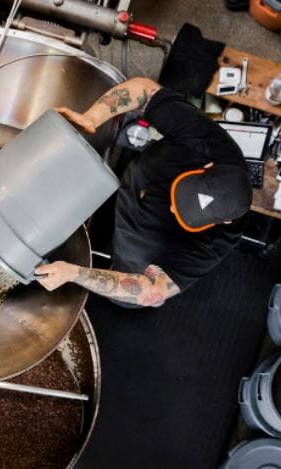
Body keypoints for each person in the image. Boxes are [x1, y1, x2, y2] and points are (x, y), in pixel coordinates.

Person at [34, 77, 252, 308]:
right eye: (182, 193)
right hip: (133, 184)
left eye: (184, 213)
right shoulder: (209, 143)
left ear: (224, 221)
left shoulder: (218, 240)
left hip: (143, 248)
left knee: (126, 293)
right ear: (208, 167)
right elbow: (146, 91)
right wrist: (92, 117)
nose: (172, 207)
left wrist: (74, 273)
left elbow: (152, 290)